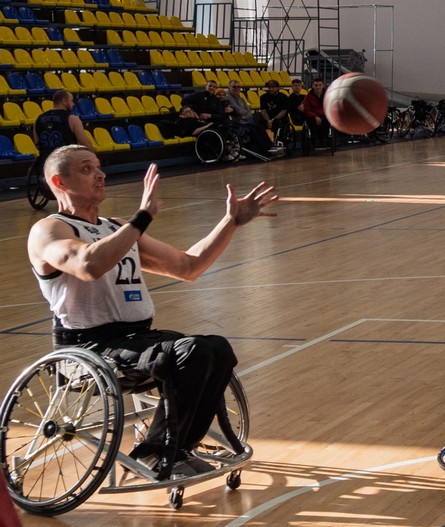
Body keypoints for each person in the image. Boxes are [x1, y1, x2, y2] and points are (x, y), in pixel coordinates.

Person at [27, 145, 278, 479]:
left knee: (216, 347)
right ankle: (156, 454)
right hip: (89, 348)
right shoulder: (50, 229)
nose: (100, 175)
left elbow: (188, 266)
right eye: (87, 169)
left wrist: (230, 222)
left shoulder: (115, 227)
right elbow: (88, 265)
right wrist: (142, 217)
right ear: (59, 182)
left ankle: (179, 448)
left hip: (137, 340)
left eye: (99, 167)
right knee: (191, 352)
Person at [33, 89, 93, 154]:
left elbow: (37, 143)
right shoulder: (72, 119)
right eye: (71, 101)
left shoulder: (38, 119)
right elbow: (85, 144)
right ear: (64, 101)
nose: (73, 104)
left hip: (45, 159)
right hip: (66, 158)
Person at [300, 77, 333, 150]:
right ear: (312, 86)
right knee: (311, 121)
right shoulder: (308, 96)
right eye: (316, 85)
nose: (318, 87)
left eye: (320, 85)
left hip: (324, 115)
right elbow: (306, 110)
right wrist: (316, 117)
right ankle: (315, 141)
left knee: (326, 121)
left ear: (322, 85)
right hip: (313, 116)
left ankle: (324, 141)